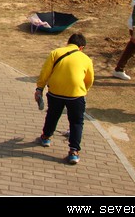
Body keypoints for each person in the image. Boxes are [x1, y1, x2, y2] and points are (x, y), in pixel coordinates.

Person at [35, 32, 94, 165]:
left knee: (52, 115)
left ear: (68, 43)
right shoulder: (86, 59)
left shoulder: (56, 53)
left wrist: (39, 88)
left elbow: (45, 72)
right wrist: (83, 91)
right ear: (81, 47)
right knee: (76, 122)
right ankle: (74, 151)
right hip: (76, 94)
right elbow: (89, 80)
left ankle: (46, 137)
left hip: (55, 91)